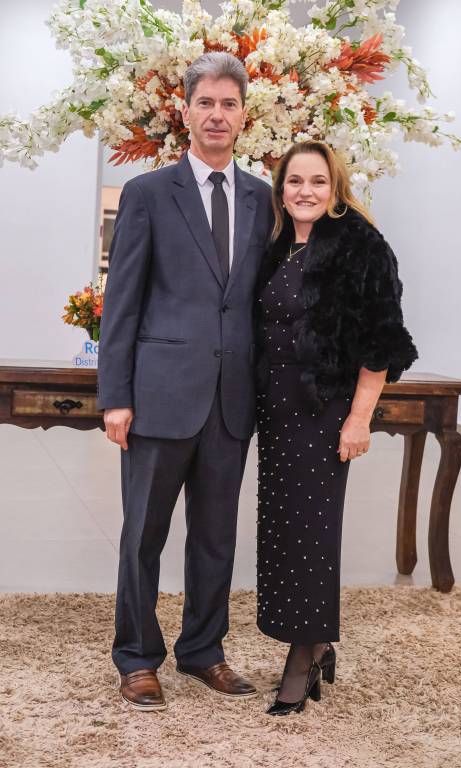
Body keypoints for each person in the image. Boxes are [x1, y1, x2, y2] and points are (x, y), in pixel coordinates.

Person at [97, 52, 273, 711]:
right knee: (143, 534)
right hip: (160, 397)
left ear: (244, 115)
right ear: (186, 111)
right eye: (206, 103)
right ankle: (137, 657)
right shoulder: (147, 194)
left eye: (229, 104)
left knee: (216, 537)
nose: (217, 115)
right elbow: (123, 303)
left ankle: (203, 650)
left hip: (231, 401)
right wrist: (116, 397)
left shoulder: (262, 198)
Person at [254, 140, 418, 715]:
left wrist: (358, 419)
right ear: (281, 189)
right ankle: (317, 642)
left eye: (318, 181)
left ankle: (302, 658)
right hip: (275, 410)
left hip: (323, 411)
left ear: (336, 187)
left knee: (312, 533)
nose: (306, 191)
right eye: (295, 181)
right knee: (281, 530)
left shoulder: (360, 246)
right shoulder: (277, 246)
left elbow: (383, 343)